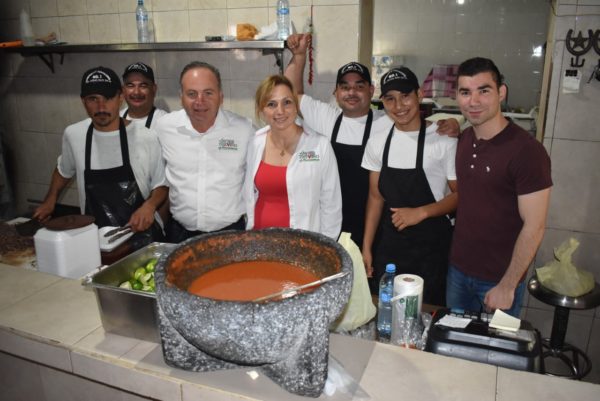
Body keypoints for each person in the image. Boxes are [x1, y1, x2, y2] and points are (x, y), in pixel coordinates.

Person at [285, 33, 460, 250]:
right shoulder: (326, 117)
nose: (352, 92)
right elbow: (292, 94)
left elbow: (421, 126)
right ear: (336, 92)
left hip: (378, 224)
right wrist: (299, 55)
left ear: (371, 90)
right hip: (333, 220)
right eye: (345, 86)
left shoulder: (388, 120)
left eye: (359, 86)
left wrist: (452, 123)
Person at [447, 57, 552, 317]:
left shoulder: (527, 151)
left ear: (501, 93)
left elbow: (535, 225)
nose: (473, 101)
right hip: (457, 273)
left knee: (494, 354)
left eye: (484, 91)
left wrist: (508, 285)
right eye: (465, 92)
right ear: (457, 97)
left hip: (498, 280)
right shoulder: (463, 140)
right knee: (452, 351)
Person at [32, 66, 168, 244]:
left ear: (120, 98)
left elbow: (162, 185)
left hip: (141, 235)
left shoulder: (147, 137)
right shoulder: (74, 135)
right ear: (83, 101)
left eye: (108, 98)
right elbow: (63, 170)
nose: (101, 107)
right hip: (93, 237)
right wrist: (50, 199)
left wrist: (149, 206)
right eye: (93, 99)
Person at [361, 67, 458, 305]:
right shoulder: (377, 143)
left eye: (405, 96)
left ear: (419, 94)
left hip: (432, 250)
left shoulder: (442, 139)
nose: (399, 106)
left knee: (426, 316)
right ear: (382, 102)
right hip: (391, 247)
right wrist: (366, 248)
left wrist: (421, 212)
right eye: (390, 99)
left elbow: (460, 196)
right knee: (387, 312)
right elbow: (375, 198)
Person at [156, 61, 254, 243]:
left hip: (231, 235)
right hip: (179, 235)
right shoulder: (165, 127)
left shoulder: (244, 130)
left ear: (221, 96)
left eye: (208, 93)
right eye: (191, 94)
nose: (199, 101)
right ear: (181, 97)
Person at [243, 75, 342, 239]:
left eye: (287, 102)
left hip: (303, 246)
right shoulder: (255, 143)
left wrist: (325, 248)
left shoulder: (319, 146)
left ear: (296, 106)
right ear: (262, 110)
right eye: (271, 104)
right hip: (259, 241)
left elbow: (331, 206)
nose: (280, 111)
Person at [121, 62, 168, 129]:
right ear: (123, 90)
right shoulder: (114, 120)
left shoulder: (166, 122)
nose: (136, 92)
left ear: (154, 89)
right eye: (130, 86)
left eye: (143, 86)